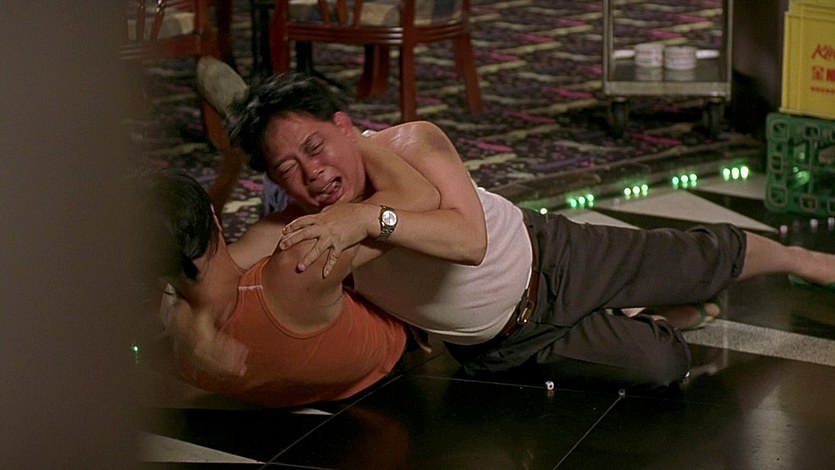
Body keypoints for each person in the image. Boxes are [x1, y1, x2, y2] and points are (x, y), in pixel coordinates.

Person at [224, 73, 835, 391]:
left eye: (315, 147)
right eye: (288, 169)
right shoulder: (308, 224)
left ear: (343, 125)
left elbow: (469, 243)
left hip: (554, 255)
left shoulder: (411, 143)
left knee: (698, 258)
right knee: (661, 365)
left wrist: (367, 217)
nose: (312, 173)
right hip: (505, 346)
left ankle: (799, 259)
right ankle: (654, 316)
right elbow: (228, 266)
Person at [146, 165, 440, 408]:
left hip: (298, 384)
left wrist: (185, 323)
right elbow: (422, 195)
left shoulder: (178, 353)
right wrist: (354, 138)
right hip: (397, 343)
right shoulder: (300, 262)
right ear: (215, 218)